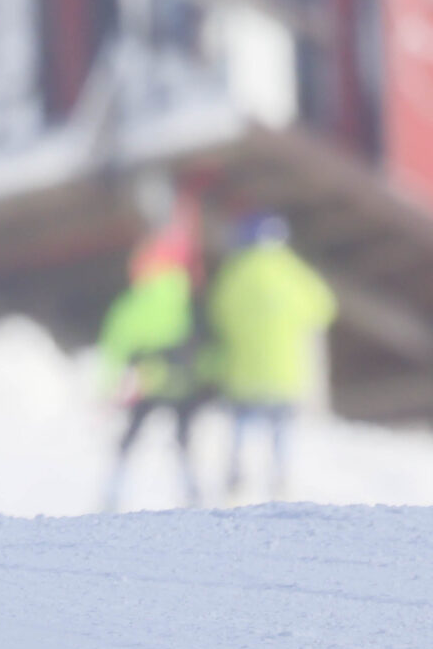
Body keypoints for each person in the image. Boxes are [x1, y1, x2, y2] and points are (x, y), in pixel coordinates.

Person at [205, 213, 337, 501]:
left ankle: (235, 477)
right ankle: (280, 480)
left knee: (241, 425)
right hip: (284, 370)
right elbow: (324, 307)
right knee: (280, 429)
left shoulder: (236, 272)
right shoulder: (292, 271)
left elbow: (217, 313)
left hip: (244, 369)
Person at [97, 237, 211, 510]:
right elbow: (205, 340)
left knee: (130, 438)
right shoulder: (184, 296)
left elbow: (114, 347)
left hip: (147, 381)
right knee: (183, 440)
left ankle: (113, 492)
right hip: (182, 381)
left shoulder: (131, 303)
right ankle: (192, 493)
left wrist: (107, 389)